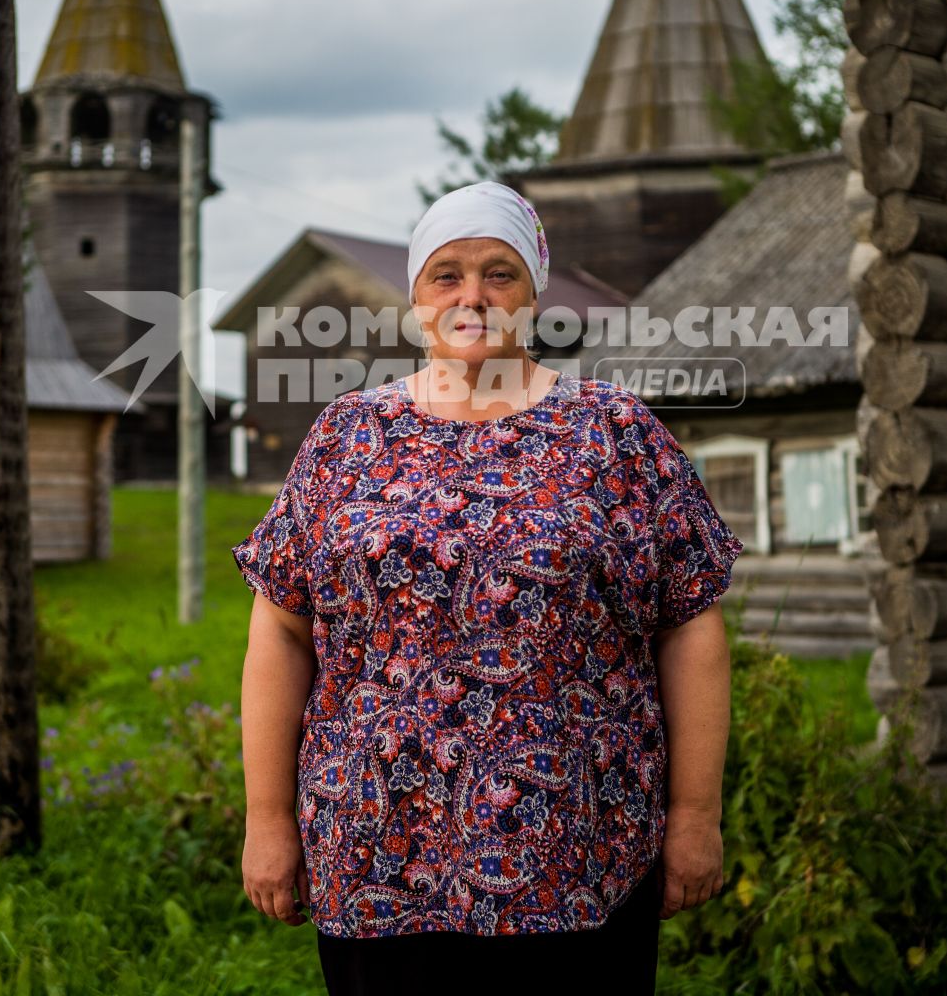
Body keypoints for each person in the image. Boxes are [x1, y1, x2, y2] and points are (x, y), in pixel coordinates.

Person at [234, 181, 740, 995]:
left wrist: (694, 816)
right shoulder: (345, 437)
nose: (474, 296)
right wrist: (266, 821)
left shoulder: (613, 432)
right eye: (448, 274)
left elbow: (690, 625)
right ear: (415, 299)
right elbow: (281, 631)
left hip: (579, 849)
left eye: (500, 273)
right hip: (377, 852)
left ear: (535, 293)